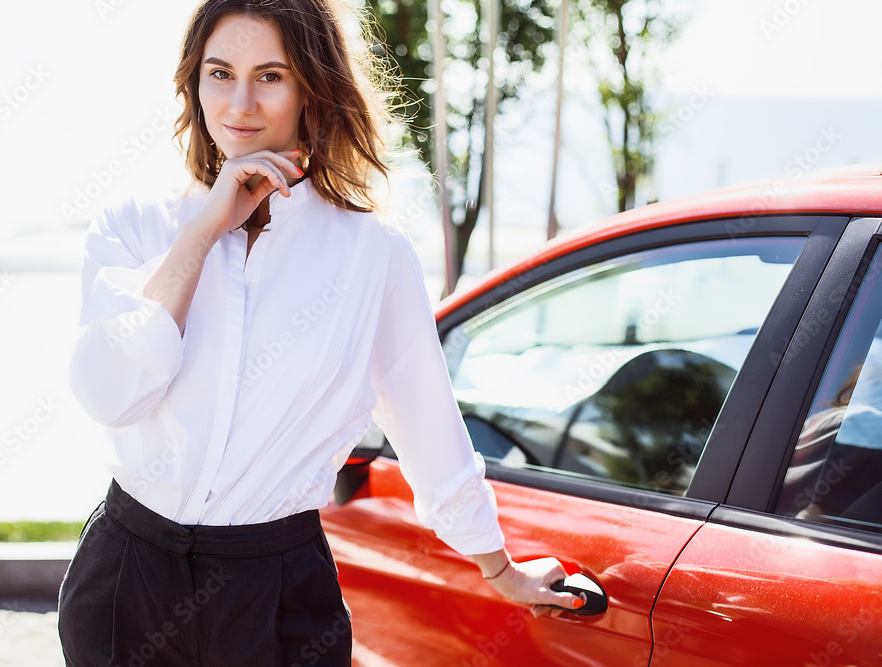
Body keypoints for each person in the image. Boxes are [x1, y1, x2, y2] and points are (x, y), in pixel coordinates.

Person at [58, 0, 584, 664]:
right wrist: (199, 234)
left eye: (270, 76)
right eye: (220, 73)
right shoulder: (134, 225)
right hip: (127, 576)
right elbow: (110, 394)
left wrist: (500, 567)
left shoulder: (373, 256)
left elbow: (430, 432)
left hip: (277, 591)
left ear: (312, 84)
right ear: (194, 80)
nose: (240, 103)